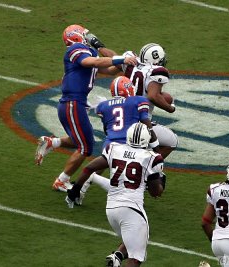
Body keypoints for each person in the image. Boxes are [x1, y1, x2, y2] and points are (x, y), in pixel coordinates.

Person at [34, 24, 137, 192]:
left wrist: (124, 62)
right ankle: (61, 180)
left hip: (76, 103)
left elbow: (109, 70)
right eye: (84, 34)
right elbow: (92, 61)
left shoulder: (87, 51)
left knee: (81, 139)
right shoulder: (75, 49)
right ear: (76, 36)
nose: (87, 37)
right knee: (86, 146)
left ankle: (53, 142)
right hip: (72, 103)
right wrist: (121, 59)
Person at [66, 122, 166, 267]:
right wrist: (161, 180)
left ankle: (117, 256)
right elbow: (155, 192)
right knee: (136, 258)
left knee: (135, 239)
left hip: (111, 209)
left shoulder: (114, 148)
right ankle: (118, 257)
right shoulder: (151, 157)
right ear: (146, 139)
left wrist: (75, 190)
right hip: (132, 209)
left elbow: (89, 168)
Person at [77, 76, 161, 202]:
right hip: (127, 145)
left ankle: (82, 187)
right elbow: (145, 122)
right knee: (127, 181)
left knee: (102, 165)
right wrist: (155, 145)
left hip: (109, 145)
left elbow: (107, 128)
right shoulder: (138, 100)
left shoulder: (103, 106)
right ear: (127, 89)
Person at [121, 43, 178, 159]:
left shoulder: (131, 62)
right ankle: (148, 167)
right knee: (172, 141)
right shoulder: (157, 71)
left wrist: (98, 46)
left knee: (110, 153)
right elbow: (153, 96)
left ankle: (92, 175)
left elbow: (113, 57)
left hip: (121, 117)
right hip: (140, 122)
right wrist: (170, 108)